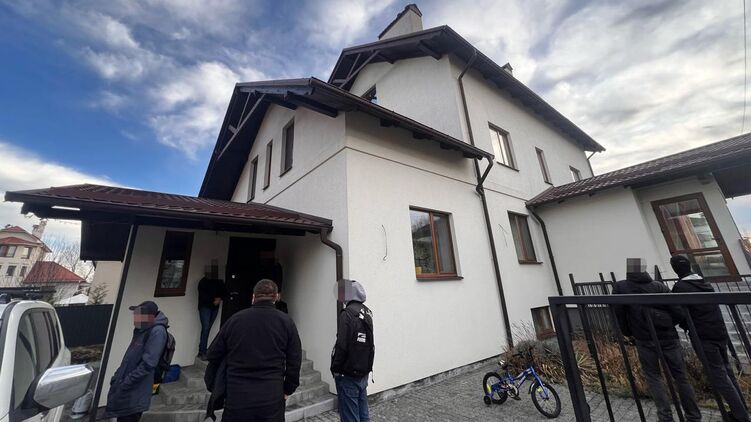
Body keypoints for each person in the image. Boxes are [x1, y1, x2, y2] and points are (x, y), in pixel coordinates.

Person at [612, 258, 701, 422]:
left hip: (644, 338)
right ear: (644, 269)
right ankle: (693, 416)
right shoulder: (658, 286)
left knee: (653, 377)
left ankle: (665, 416)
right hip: (668, 337)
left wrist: (628, 332)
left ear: (628, 270)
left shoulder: (622, 287)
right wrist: (667, 324)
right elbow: (677, 311)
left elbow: (619, 313)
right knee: (681, 377)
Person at [207, 279, 301, 422]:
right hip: (271, 397)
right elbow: (295, 361)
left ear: (253, 297)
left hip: (237, 396)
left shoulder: (235, 320)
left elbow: (213, 354)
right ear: (276, 297)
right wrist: (288, 389)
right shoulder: (286, 322)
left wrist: (215, 386)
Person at [671, 255, 749, 421]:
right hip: (719, 331)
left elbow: (678, 312)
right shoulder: (705, 284)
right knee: (727, 373)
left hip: (702, 335)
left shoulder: (680, 287)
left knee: (719, 376)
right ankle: (740, 410)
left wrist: (684, 325)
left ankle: (741, 416)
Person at [105, 301, 168, 422]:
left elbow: (148, 364)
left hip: (135, 392)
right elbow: (129, 358)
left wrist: (126, 382)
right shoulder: (141, 330)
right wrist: (117, 377)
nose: (135, 318)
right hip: (126, 390)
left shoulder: (157, 331)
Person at [331, 279, 375, 422]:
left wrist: (335, 368)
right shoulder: (367, 311)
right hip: (363, 372)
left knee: (350, 417)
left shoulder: (347, 313)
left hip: (348, 374)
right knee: (363, 415)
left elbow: (341, 345)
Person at [197, 263, 226, 360]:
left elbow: (224, 292)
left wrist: (220, 298)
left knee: (208, 328)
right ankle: (202, 352)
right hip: (205, 307)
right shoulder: (203, 282)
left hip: (214, 308)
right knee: (205, 328)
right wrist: (214, 300)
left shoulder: (219, 282)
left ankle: (204, 350)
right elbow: (203, 296)